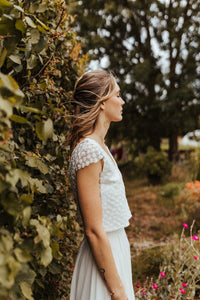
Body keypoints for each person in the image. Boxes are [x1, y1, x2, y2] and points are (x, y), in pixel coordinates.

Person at [68, 70, 135, 300]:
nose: (122, 100)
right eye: (117, 94)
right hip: (102, 261)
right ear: (102, 102)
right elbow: (94, 229)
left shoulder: (100, 147)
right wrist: (116, 291)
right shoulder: (88, 149)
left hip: (114, 251)